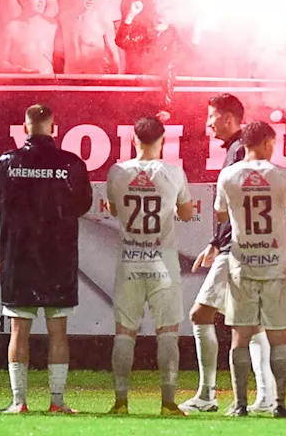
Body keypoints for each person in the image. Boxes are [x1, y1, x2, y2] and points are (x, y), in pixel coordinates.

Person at [0, 104, 93, 414]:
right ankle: (57, 401)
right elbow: (83, 204)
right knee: (58, 329)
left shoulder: (6, 162)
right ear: (54, 128)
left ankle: (19, 401)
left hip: (19, 255)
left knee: (18, 330)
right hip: (57, 255)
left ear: (24, 128)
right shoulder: (72, 163)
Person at [182, 94, 277, 413]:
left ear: (228, 118)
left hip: (236, 247)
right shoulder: (238, 151)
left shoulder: (238, 152)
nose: (208, 123)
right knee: (253, 323)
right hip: (247, 246)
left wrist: (218, 242)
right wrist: (213, 242)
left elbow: (236, 204)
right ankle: (266, 396)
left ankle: (208, 395)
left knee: (200, 314)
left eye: (212, 116)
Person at [106, 116, 194, 416]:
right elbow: (185, 213)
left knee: (124, 332)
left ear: (133, 139)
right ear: (164, 141)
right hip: (162, 260)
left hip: (130, 257)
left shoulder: (117, 171)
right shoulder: (173, 172)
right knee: (168, 331)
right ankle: (168, 401)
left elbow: (115, 209)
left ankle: (121, 401)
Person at [215, 121, 286, 418]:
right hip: (274, 264)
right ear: (267, 142)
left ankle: (239, 404)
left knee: (240, 336)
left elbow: (219, 212)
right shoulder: (283, 176)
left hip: (243, 264)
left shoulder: (228, 175)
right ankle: (280, 404)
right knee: (278, 336)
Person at [0, 0, 59, 74]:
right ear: (23, 1)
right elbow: (1, 63)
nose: (41, 1)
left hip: (48, 82)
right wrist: (17, 70)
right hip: (23, 82)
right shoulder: (12, 28)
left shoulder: (52, 25)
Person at [66, 0, 120, 74]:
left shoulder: (103, 20)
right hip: (70, 79)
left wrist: (117, 82)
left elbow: (114, 55)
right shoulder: (65, 19)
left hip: (94, 79)